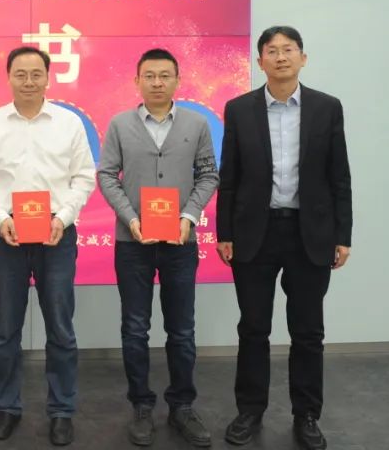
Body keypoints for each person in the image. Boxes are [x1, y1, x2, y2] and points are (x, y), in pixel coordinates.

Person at [216, 26, 352, 450]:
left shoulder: (326, 108)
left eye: (288, 49)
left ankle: (306, 415)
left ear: (302, 58)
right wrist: (224, 233)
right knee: (253, 328)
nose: (280, 57)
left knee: (308, 331)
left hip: (310, 233)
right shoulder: (239, 109)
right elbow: (229, 177)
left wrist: (342, 234)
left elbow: (339, 176)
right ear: (260, 62)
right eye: (271, 51)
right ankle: (249, 411)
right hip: (254, 233)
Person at [0, 46, 96, 446]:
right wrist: (0, 217)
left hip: (56, 234)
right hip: (6, 233)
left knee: (60, 327)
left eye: (36, 74)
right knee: (5, 329)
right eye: (20, 74)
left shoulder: (68, 123)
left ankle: (61, 410)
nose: (28, 81)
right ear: (8, 77)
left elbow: (84, 177)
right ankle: (7, 407)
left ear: (47, 77)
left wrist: (63, 218)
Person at [97, 48, 219, 447]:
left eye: (165, 75)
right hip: (131, 242)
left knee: (181, 329)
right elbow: (106, 175)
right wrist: (130, 218)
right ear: (137, 81)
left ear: (177, 80)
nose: (157, 82)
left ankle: (182, 405)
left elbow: (208, 174)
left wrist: (189, 216)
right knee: (135, 328)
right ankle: (141, 405)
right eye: (149, 75)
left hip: (180, 242)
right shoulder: (120, 124)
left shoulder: (196, 123)